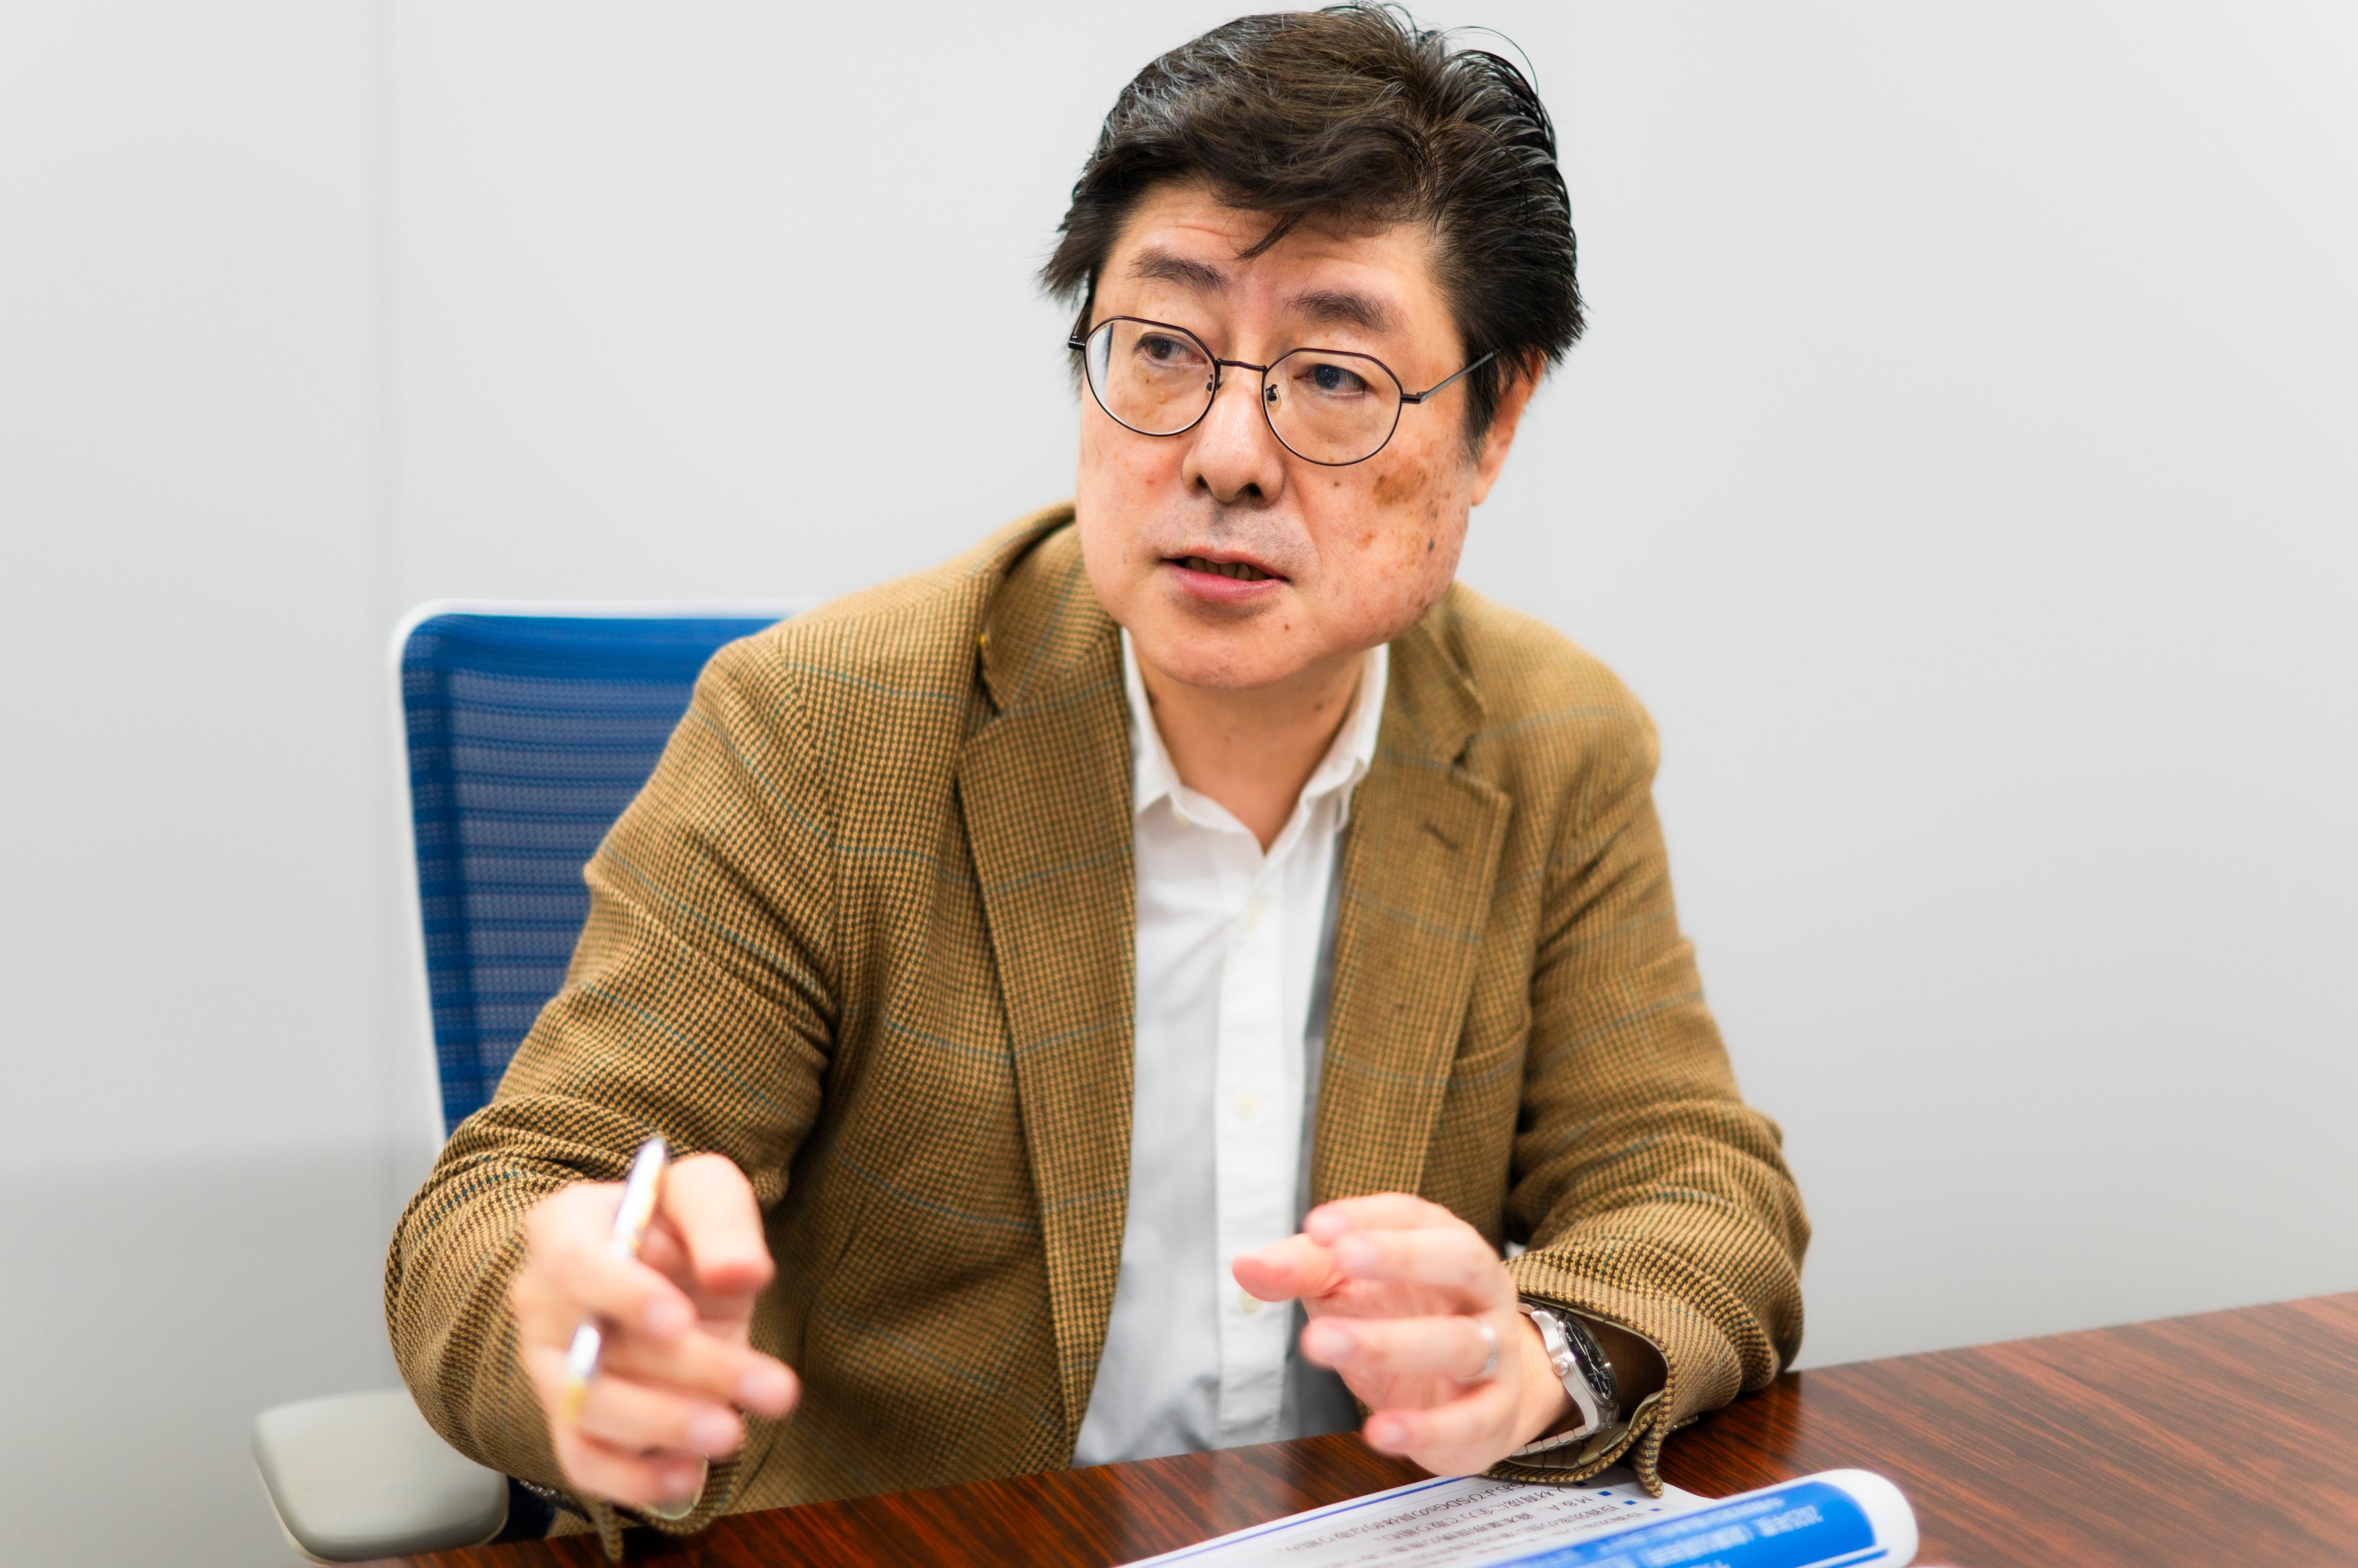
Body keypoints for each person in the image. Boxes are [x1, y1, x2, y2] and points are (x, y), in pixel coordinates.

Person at [386, 6, 1808, 1552]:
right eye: (1163, 349)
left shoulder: (1549, 740)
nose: (1225, 453)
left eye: (1335, 375)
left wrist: (1539, 1356)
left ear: (1494, 420)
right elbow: (505, 1201)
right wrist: (573, 1314)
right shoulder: (822, 729)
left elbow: (1695, 1186)